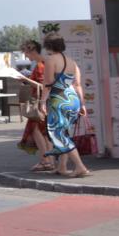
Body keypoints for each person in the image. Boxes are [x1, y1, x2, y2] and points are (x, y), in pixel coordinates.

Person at [40, 32, 91, 178]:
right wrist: (82, 104)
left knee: (58, 134)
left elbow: (48, 83)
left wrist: (42, 101)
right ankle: (62, 167)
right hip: (72, 99)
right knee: (64, 132)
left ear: (48, 46)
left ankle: (80, 166)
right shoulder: (71, 62)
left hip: (59, 99)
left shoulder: (50, 60)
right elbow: (78, 84)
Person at [17, 40, 52, 171]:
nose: (26, 56)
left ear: (32, 51)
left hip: (40, 102)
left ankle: (45, 160)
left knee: (37, 131)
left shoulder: (40, 66)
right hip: (46, 102)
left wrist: (25, 80)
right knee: (44, 133)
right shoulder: (45, 63)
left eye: (26, 52)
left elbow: (42, 86)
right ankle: (49, 160)